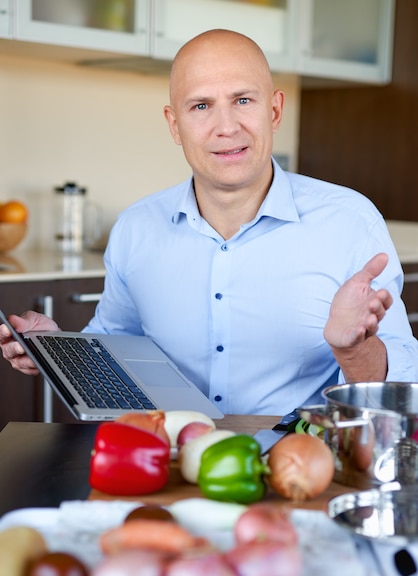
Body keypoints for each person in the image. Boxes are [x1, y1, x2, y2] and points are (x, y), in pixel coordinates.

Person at [1, 29, 418, 416]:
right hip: (168, 466)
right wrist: (54, 346)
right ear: (174, 124)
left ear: (274, 110)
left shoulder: (348, 221)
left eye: (243, 100)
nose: (226, 127)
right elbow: (116, 344)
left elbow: (403, 387)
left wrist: (355, 352)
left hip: (302, 465)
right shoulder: (136, 229)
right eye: (201, 106)